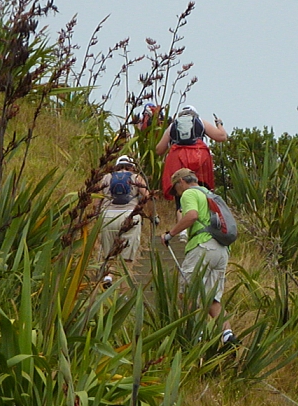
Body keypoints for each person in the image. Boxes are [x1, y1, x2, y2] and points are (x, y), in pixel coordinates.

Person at [161, 168, 237, 346]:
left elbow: (192, 216)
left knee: (188, 294)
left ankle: (197, 336)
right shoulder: (210, 195)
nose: (177, 194)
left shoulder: (189, 193)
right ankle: (228, 335)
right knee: (212, 298)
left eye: (176, 188)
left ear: (182, 182)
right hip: (221, 250)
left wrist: (170, 235)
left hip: (202, 246)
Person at [156, 106, 227, 241]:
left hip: (177, 159)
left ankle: (183, 232)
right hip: (200, 158)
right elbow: (221, 137)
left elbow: (159, 149)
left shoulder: (172, 126)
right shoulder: (200, 121)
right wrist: (220, 125)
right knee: (201, 191)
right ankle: (204, 226)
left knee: (181, 196)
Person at [97, 155, 148, 287]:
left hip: (108, 217)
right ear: (132, 167)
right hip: (129, 216)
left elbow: (98, 199)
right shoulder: (136, 177)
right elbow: (147, 196)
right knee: (126, 255)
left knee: (109, 254)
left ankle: (108, 276)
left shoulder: (106, 177)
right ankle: (119, 284)